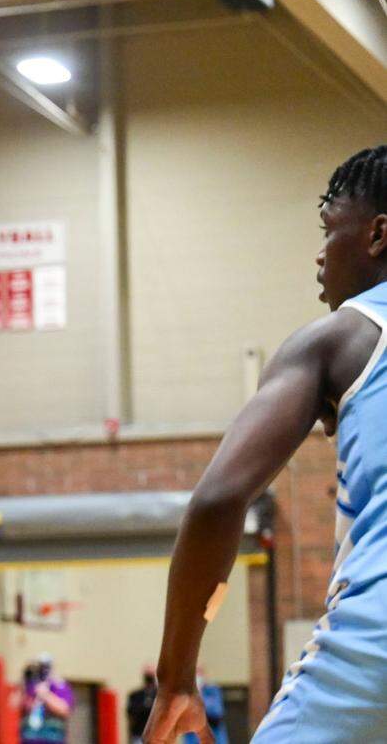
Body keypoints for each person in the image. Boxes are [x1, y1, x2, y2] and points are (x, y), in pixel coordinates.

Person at [144, 145, 387, 743]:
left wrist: (176, 676)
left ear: (379, 235)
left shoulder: (341, 337)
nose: (319, 255)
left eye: (331, 231)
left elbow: (219, 499)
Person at [20, 653, 73, 744]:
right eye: (39, 667)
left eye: (45, 667)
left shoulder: (59, 686)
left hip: (52, 738)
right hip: (30, 738)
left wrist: (45, 695)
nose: (42, 670)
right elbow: (15, 705)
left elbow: (64, 709)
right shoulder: (30, 686)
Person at [126, 666, 156, 744]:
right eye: (148, 678)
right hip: (139, 734)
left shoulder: (159, 695)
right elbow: (130, 716)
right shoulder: (135, 695)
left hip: (156, 734)